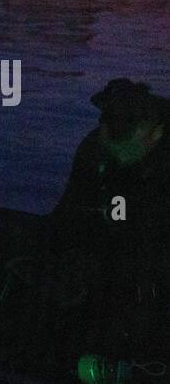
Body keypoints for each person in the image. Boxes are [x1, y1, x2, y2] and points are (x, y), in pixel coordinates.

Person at [47, 78, 169, 368]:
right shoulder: (96, 147)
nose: (119, 155)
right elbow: (69, 212)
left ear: (155, 133)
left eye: (126, 148)